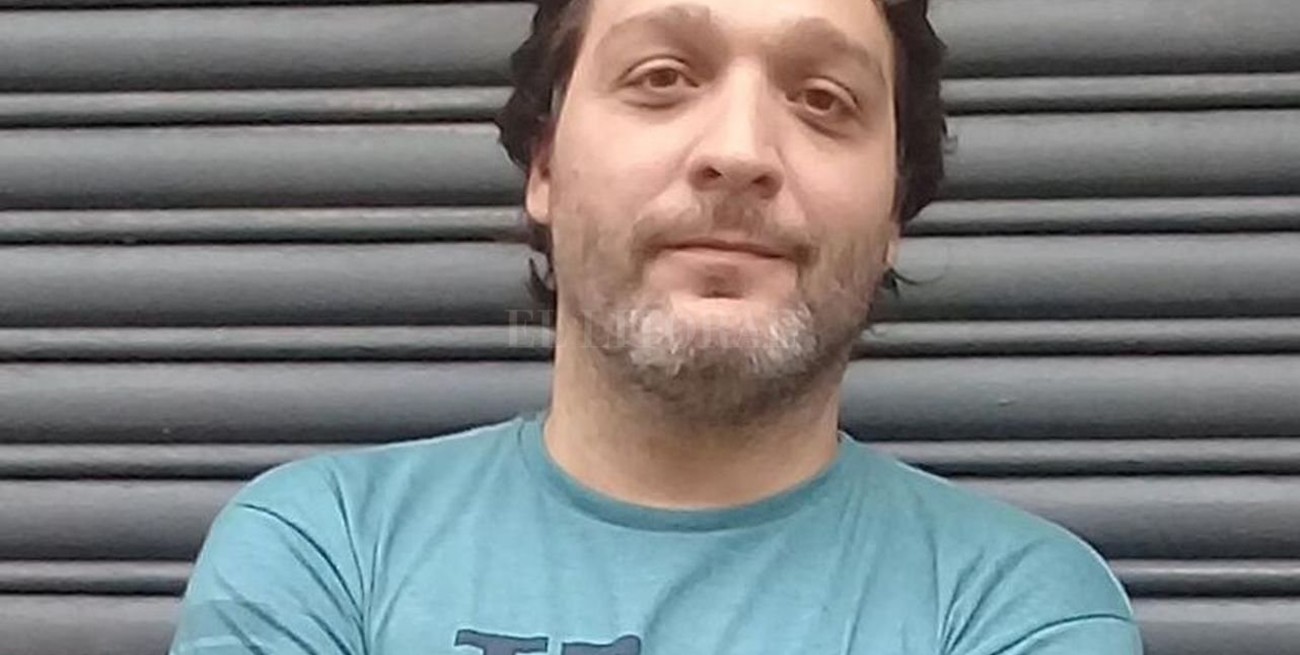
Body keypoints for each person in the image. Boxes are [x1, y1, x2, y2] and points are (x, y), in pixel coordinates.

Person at [169, 0, 1144, 653]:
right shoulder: (327, 550)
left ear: (893, 207)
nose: (739, 151)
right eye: (663, 78)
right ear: (544, 166)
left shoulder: (1017, 607)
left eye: (822, 99)